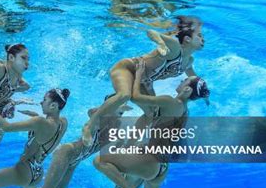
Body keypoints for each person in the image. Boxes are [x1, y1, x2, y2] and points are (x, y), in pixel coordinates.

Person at [93, 60, 210, 188]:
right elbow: (153, 114)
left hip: (151, 160)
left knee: (100, 161)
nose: (180, 82)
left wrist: (139, 74)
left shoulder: (171, 102)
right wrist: (148, 84)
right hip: (161, 166)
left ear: (187, 90)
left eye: (183, 82)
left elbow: (135, 97)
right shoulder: (183, 111)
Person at [0, 94, 133, 188]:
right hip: (66, 153)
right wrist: (109, 107)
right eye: (118, 106)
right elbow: (91, 112)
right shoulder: (97, 119)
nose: (122, 111)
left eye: (123, 107)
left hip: (74, 162)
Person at [82, 16, 206, 144]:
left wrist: (205, 94)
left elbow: (195, 78)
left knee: (151, 114)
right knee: (124, 95)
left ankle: (128, 145)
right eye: (200, 36)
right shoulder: (174, 48)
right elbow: (152, 32)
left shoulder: (188, 62)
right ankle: (89, 126)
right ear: (187, 39)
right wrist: (161, 43)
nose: (203, 39)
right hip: (128, 68)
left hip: (143, 80)